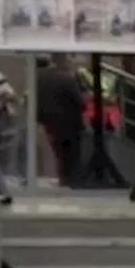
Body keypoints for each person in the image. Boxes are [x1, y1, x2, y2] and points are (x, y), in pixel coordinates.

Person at [37, 54, 85, 187]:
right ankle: (70, 179)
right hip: (69, 121)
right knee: (71, 153)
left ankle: (63, 178)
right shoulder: (67, 78)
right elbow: (79, 101)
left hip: (49, 121)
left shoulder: (38, 78)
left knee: (58, 151)